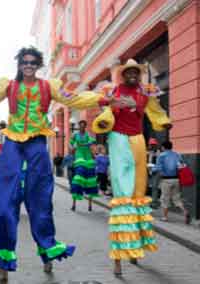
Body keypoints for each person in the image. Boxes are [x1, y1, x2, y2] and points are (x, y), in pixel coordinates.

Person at [0, 46, 111, 282]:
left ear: (37, 65)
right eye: (24, 62)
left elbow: (76, 99)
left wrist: (104, 98)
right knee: (1, 202)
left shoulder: (49, 87)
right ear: (19, 64)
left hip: (37, 145)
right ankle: (3, 259)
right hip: (12, 145)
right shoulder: (8, 86)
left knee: (40, 201)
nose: (28, 65)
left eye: (32, 62)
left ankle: (47, 249)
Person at [92, 59, 172, 276]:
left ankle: (135, 248)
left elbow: (156, 111)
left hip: (138, 140)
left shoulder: (145, 93)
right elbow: (103, 113)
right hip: (118, 140)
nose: (133, 75)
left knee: (137, 194)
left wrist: (163, 122)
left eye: (136, 72)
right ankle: (118, 258)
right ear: (123, 74)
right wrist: (105, 117)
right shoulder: (113, 91)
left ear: (139, 74)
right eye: (129, 72)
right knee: (123, 195)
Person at [153, 141, 190, 224]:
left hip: (166, 180)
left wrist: (151, 169)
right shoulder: (177, 154)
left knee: (165, 198)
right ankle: (185, 212)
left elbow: (158, 168)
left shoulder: (161, 156)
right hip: (176, 179)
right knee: (177, 198)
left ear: (163, 147)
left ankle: (165, 217)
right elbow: (182, 166)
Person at [69, 120, 98, 212]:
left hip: (88, 155)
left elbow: (93, 141)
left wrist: (93, 150)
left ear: (85, 126)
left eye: (83, 126)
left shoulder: (88, 134)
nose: (82, 127)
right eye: (80, 125)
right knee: (79, 176)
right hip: (79, 154)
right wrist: (72, 148)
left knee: (91, 178)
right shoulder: (75, 135)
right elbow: (70, 144)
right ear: (78, 126)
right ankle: (74, 204)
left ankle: (90, 205)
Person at [147, 138, 161, 208]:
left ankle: (154, 203)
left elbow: (158, 163)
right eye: (150, 144)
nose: (151, 146)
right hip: (151, 171)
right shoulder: (150, 152)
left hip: (156, 171)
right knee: (153, 187)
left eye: (152, 145)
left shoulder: (158, 152)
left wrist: (152, 167)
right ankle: (154, 201)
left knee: (155, 187)